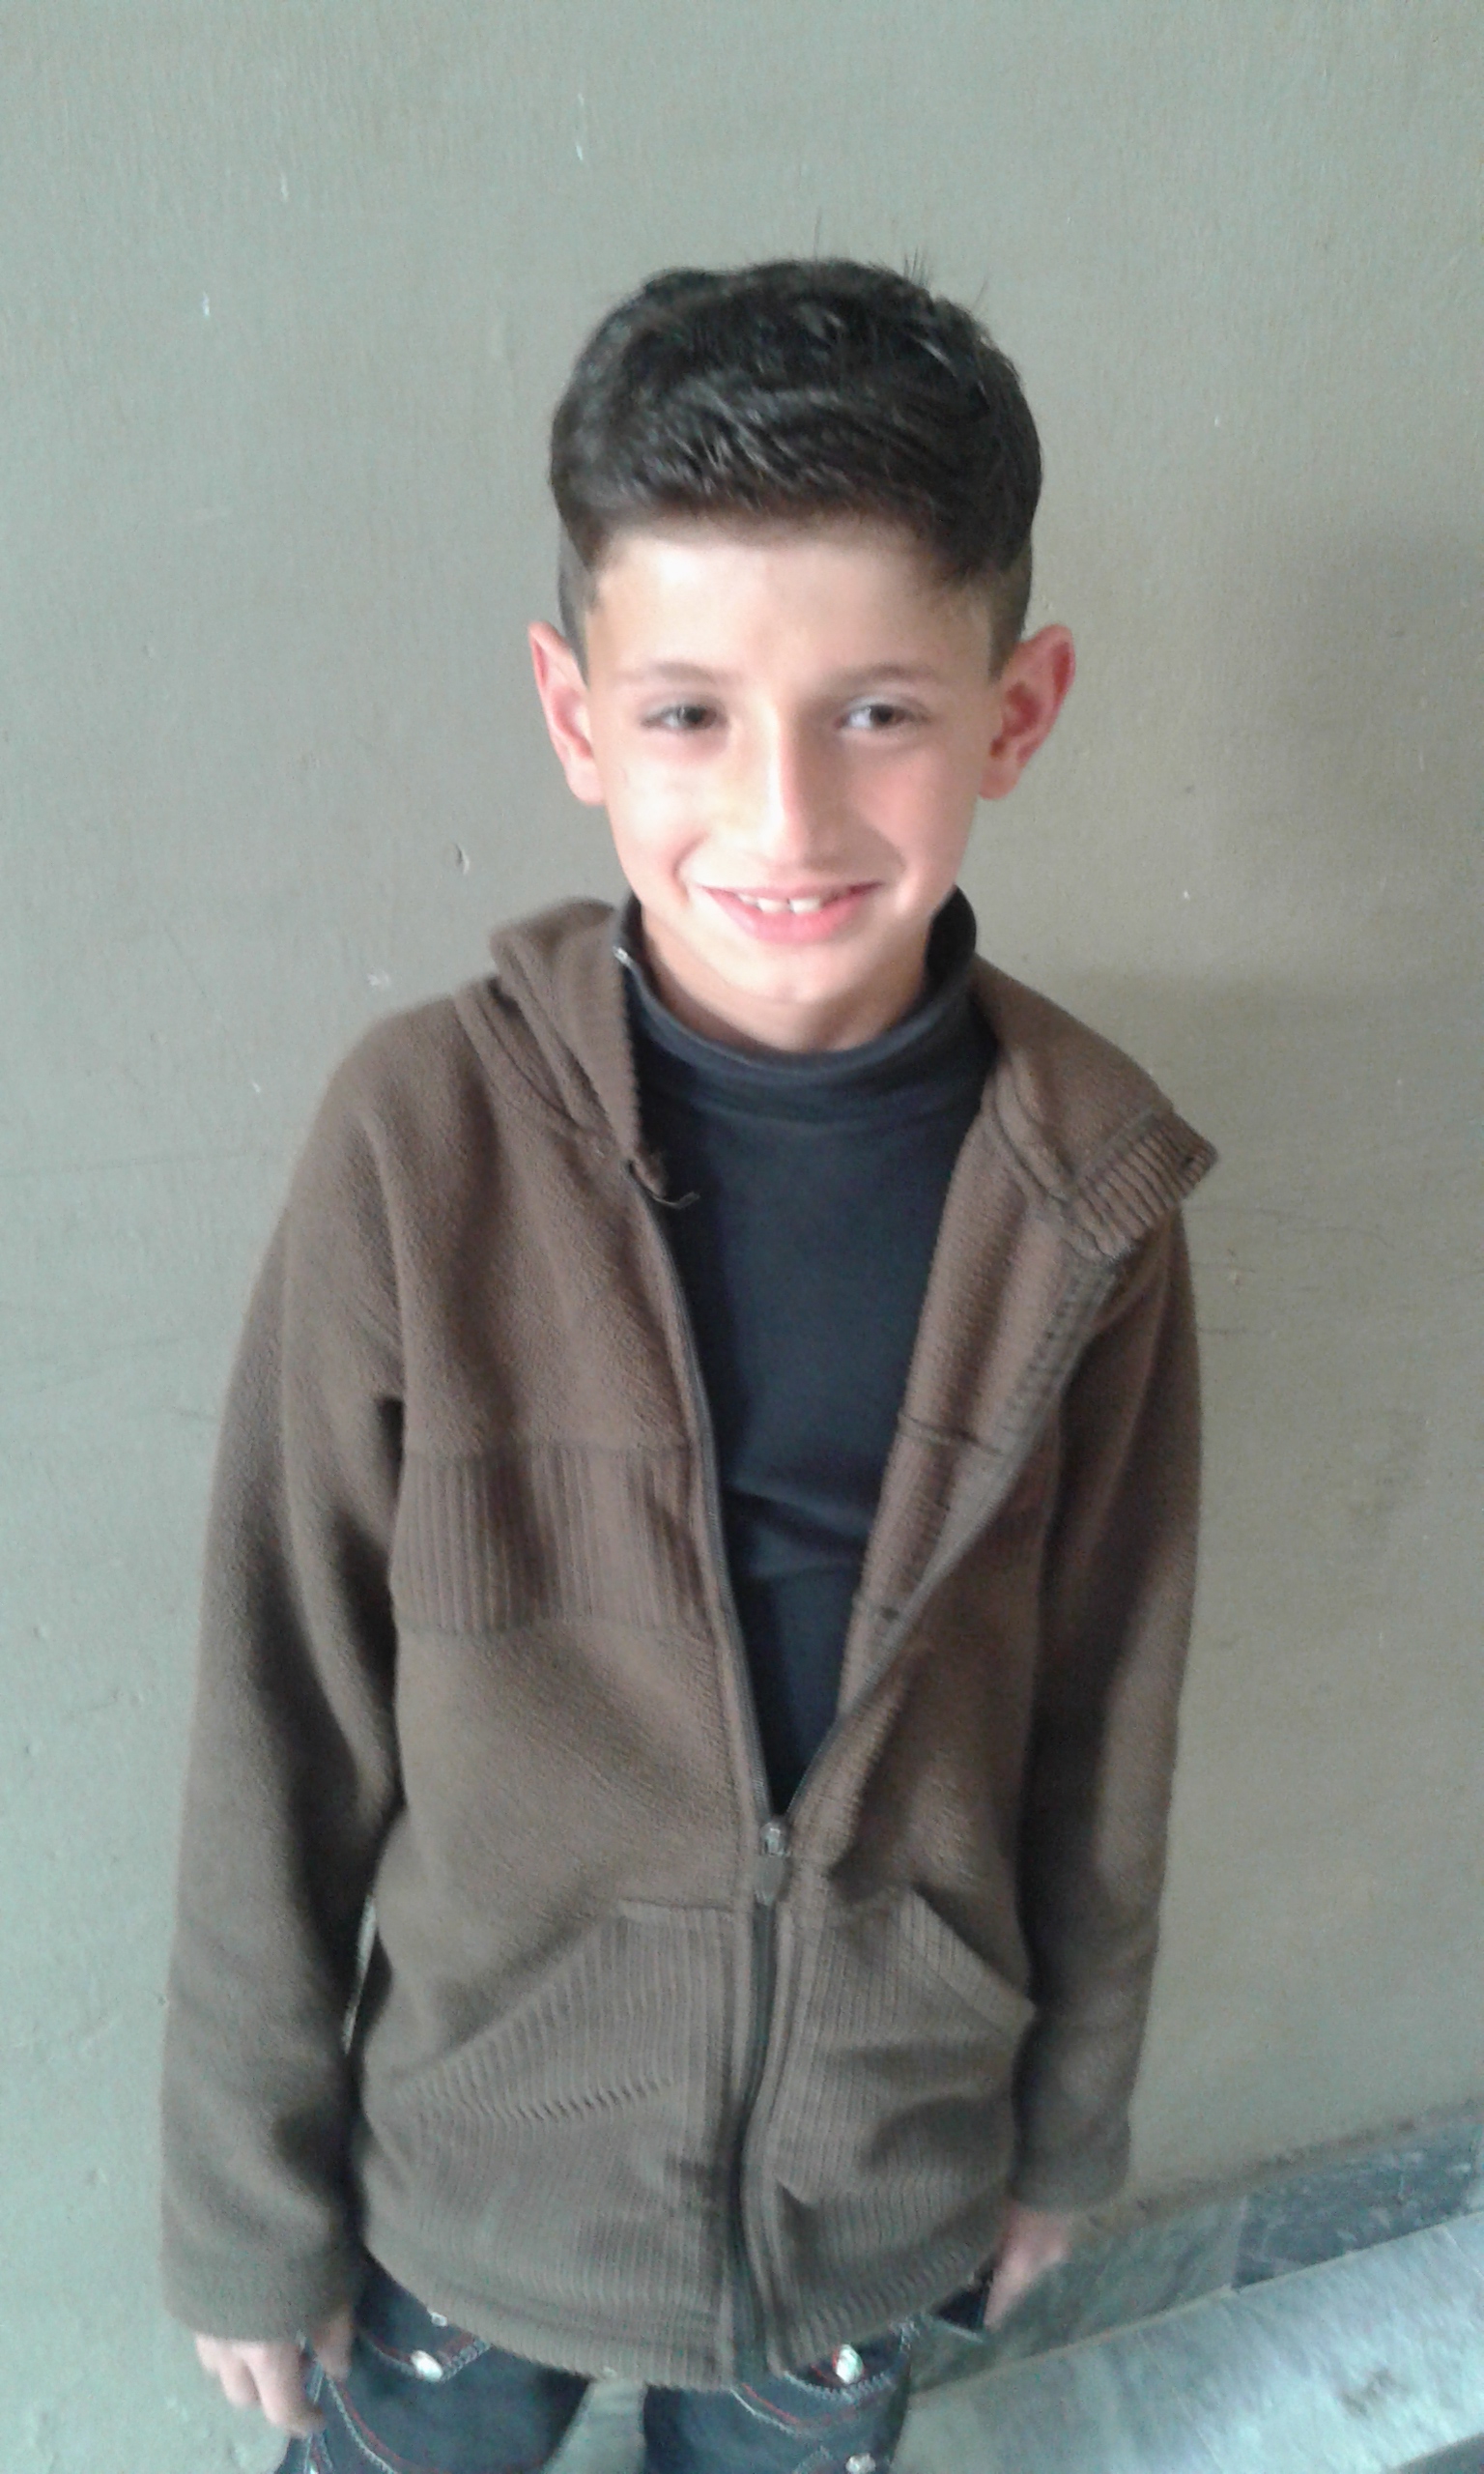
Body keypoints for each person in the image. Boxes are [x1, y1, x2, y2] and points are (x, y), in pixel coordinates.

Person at [164, 258, 1215, 2474]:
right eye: (688, 714)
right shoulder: (420, 1137)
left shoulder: (1091, 1185)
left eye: (878, 709)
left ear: (1017, 711)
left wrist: (1059, 2132)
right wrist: (249, 2213)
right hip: (472, 2188)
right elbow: (280, 1705)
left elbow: (1109, 1707)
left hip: (870, 2195)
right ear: (573, 715)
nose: (786, 817)